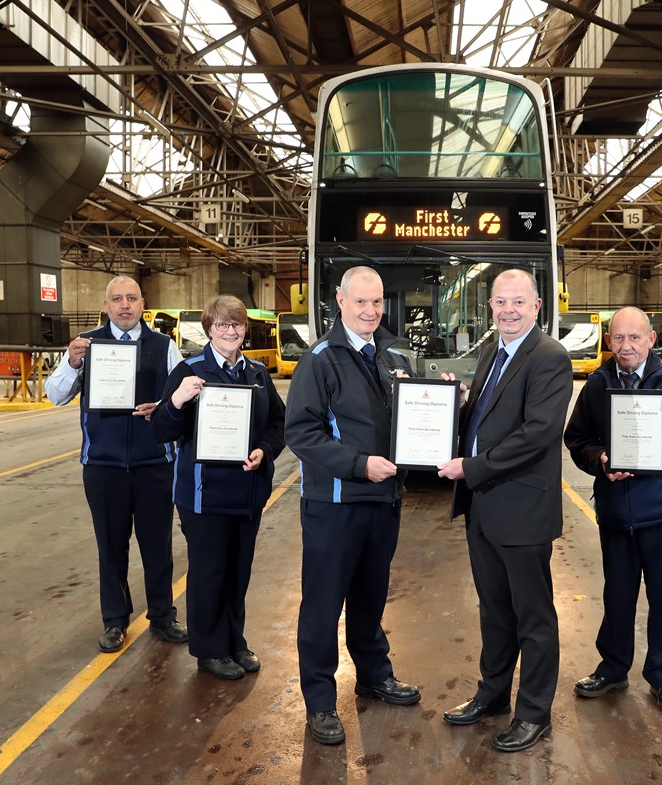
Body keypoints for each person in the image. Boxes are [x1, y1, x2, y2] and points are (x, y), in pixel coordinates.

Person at [437, 269, 572, 753]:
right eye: (500, 302)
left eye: (519, 302)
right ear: (489, 307)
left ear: (538, 307)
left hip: (521, 509)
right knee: (495, 611)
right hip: (485, 508)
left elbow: (536, 434)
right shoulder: (493, 350)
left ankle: (534, 712)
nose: (508, 311)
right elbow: (490, 419)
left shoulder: (550, 357)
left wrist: (470, 467)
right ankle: (492, 695)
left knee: (532, 617)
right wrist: (460, 405)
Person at [284, 266, 421, 746]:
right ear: (339, 301)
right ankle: (320, 701)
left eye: (377, 302)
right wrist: (359, 465)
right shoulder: (320, 359)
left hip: (383, 501)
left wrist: (450, 401)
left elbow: (416, 415)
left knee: (371, 596)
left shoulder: (398, 350)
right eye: (360, 302)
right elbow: (300, 432)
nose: (370, 311)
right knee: (322, 606)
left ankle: (373, 674)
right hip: (336, 503)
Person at [563, 307, 662, 712]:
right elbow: (576, 439)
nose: (626, 346)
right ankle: (613, 668)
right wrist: (600, 460)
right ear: (609, 341)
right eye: (618, 338)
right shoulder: (598, 384)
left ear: (651, 340)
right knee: (617, 595)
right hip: (616, 515)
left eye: (635, 338)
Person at [45, 275, 188, 653]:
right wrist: (72, 364)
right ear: (105, 305)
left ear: (143, 303)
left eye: (132, 298)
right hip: (103, 466)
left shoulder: (164, 346)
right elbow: (55, 396)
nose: (125, 305)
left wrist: (162, 407)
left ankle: (162, 615)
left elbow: (183, 398)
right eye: (117, 299)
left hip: (155, 463)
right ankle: (114, 620)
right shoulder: (85, 346)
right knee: (110, 546)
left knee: (157, 544)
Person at [151, 295, 286, 680]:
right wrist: (177, 399)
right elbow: (161, 429)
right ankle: (210, 650)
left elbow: (279, 424)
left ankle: (234, 642)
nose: (230, 332)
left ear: (246, 329)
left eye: (237, 325)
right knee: (209, 571)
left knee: (238, 572)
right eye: (222, 325)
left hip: (247, 491)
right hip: (202, 495)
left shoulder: (258, 373)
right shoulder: (189, 370)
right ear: (209, 328)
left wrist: (264, 449)